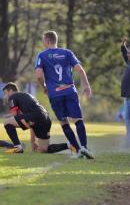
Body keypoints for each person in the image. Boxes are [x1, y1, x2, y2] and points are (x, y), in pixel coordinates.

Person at [34, 30, 94, 159]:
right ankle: (84, 147)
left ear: (48, 40)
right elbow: (80, 70)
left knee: (64, 122)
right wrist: (87, 86)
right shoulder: (67, 53)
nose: (43, 42)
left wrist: (44, 87)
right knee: (78, 119)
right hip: (70, 91)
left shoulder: (42, 55)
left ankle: (77, 149)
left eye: (43, 40)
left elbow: (38, 76)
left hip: (55, 94)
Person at [2, 82, 77, 154]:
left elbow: (16, 116)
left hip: (36, 116)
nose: (5, 96)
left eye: (5, 93)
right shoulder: (26, 95)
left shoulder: (13, 97)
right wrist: (32, 141)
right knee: (43, 149)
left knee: (7, 122)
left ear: (11, 91)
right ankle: (69, 145)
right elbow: (30, 119)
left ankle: (18, 147)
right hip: (46, 117)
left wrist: (25, 124)